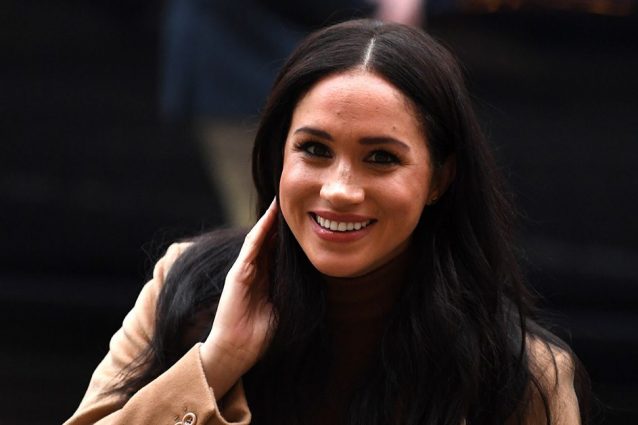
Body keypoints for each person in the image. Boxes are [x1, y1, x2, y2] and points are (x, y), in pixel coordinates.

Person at [66, 19, 588, 425]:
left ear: (439, 179)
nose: (339, 189)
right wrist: (215, 363)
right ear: (279, 156)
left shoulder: (519, 375)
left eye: (381, 158)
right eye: (314, 149)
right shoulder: (185, 289)